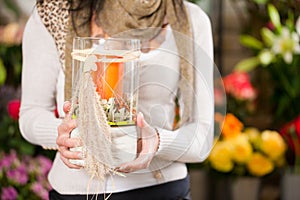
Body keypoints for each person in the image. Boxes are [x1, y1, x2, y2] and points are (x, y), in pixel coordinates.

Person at [19, 0, 215, 199]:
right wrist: (67, 134)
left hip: (162, 189)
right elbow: (31, 113)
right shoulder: (56, 13)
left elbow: (202, 137)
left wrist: (157, 141)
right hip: (77, 191)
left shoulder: (190, 19)